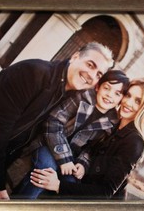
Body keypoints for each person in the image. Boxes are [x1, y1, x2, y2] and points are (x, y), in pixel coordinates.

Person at [0, 42, 114, 199]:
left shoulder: (69, 97)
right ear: (75, 56)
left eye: (99, 74)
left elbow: (22, 136)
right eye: (90, 65)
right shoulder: (34, 73)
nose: (92, 75)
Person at [29, 78, 144, 199]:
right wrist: (83, 164)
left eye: (137, 101)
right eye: (128, 95)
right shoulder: (113, 124)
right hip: (79, 185)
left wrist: (58, 186)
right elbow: (91, 148)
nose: (128, 102)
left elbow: (105, 192)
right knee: (45, 170)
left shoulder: (134, 142)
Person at [14, 70, 129, 199]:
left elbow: (92, 148)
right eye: (106, 88)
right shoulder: (81, 98)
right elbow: (53, 122)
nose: (109, 95)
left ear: (121, 99)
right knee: (47, 169)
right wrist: (64, 158)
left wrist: (83, 163)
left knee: (71, 183)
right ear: (97, 87)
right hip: (49, 143)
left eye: (117, 93)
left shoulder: (111, 122)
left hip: (73, 158)